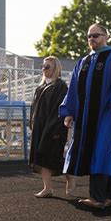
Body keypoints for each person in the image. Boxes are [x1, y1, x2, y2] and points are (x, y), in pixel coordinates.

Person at [59, 23, 111, 209]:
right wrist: (69, 112)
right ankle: (110, 197)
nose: (92, 39)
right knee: (99, 153)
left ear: (106, 37)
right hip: (85, 117)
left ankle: (97, 197)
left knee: (100, 151)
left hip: (108, 115)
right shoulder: (83, 62)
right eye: (89, 36)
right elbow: (73, 89)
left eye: (96, 35)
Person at [29, 56, 70, 198]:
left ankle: (69, 174)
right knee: (40, 156)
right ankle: (48, 188)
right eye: (43, 66)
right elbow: (34, 108)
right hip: (40, 127)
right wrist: (32, 122)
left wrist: (53, 129)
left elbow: (59, 110)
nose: (44, 69)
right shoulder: (41, 87)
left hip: (54, 128)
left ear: (55, 68)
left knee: (52, 156)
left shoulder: (60, 86)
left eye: (47, 67)